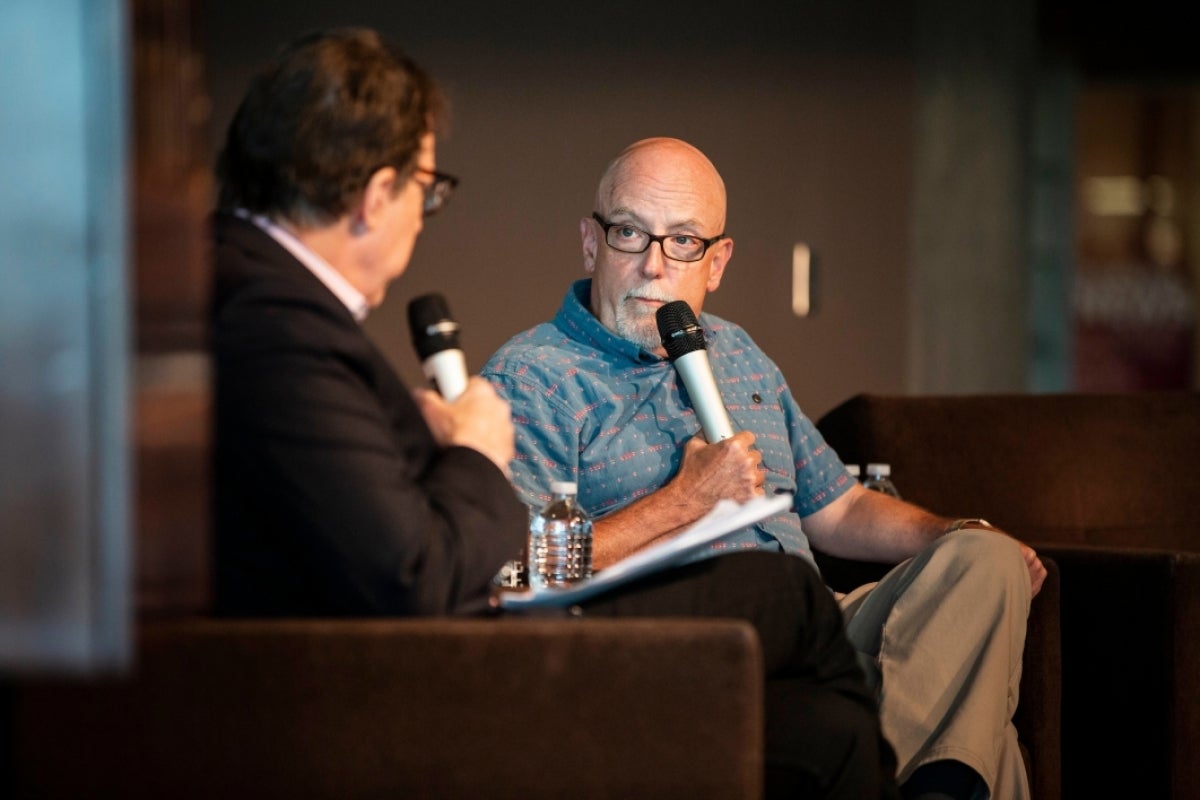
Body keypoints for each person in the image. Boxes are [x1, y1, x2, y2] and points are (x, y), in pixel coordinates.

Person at [211, 29, 899, 798]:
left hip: (471, 637)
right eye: (426, 195)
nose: (419, 224)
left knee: (828, 733)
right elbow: (426, 574)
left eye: (682, 242)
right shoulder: (280, 328)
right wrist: (471, 451)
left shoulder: (263, 304)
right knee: (788, 597)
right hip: (460, 670)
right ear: (377, 197)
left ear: (716, 259)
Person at [482, 136, 1048, 800]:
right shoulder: (535, 377)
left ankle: (895, 766)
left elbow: (836, 505)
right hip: (696, 639)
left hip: (822, 623)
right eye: (631, 234)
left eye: (684, 242)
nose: (654, 267)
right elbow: (518, 570)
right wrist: (681, 502)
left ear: (717, 262)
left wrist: (955, 532)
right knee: (987, 729)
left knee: (987, 562)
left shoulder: (738, 350)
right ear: (591, 242)